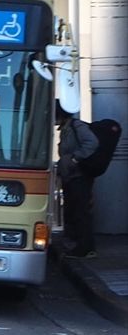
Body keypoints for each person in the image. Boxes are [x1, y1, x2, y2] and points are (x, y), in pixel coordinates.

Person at [56, 105, 99, 258]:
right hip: (71, 177)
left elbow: (91, 143)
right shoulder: (67, 128)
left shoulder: (76, 126)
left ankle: (85, 248)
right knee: (74, 212)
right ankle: (77, 246)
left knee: (81, 212)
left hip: (79, 177)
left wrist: (75, 158)